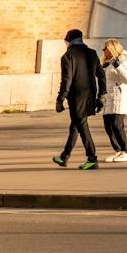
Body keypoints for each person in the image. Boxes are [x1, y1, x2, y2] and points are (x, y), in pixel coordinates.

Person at [51, 29, 106, 169]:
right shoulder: (92, 53)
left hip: (76, 97)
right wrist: (102, 96)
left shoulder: (68, 56)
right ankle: (64, 157)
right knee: (75, 126)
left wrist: (60, 99)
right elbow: (101, 76)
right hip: (90, 96)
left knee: (82, 126)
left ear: (68, 41)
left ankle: (92, 158)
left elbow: (66, 81)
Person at [100, 38, 127, 162]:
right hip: (109, 96)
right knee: (108, 124)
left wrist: (118, 65)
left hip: (119, 95)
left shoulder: (122, 61)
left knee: (117, 124)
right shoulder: (108, 62)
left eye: (105, 48)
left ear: (111, 49)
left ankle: (126, 151)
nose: (103, 50)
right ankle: (118, 150)